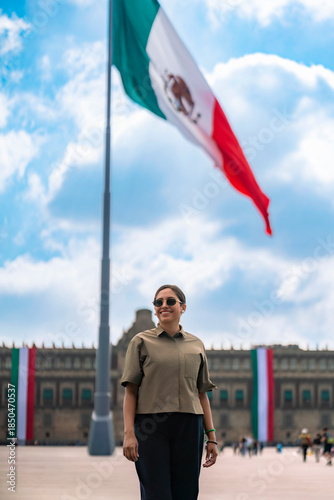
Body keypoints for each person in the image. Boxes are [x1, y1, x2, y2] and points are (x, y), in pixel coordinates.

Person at [121, 284, 218, 500]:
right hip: (150, 425)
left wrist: (211, 437)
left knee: (187, 493)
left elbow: (202, 394)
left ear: (183, 307)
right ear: (155, 308)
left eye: (170, 301)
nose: (164, 306)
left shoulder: (196, 345)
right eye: (158, 302)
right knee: (156, 493)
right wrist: (129, 433)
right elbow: (130, 392)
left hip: (190, 423)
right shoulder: (140, 341)